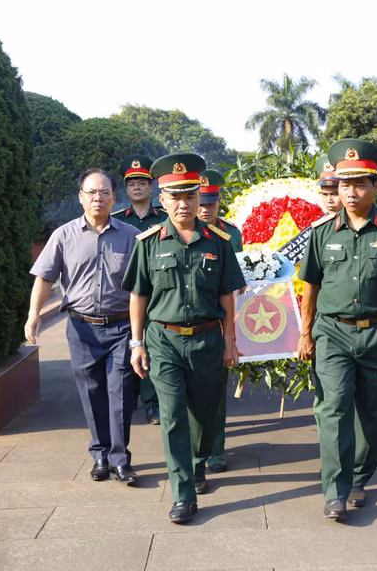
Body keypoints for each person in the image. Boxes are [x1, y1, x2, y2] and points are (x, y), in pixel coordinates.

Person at [297, 139, 377, 522]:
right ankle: (335, 490)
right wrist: (306, 333)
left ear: (374, 186)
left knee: (372, 415)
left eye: (359, 185)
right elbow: (311, 287)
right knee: (335, 407)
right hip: (333, 333)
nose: (350, 193)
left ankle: (359, 477)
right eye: (343, 185)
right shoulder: (322, 232)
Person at [122, 153, 245, 524]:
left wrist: (230, 340)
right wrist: (137, 342)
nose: (183, 203)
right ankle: (183, 493)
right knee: (173, 415)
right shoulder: (148, 242)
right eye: (174, 196)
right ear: (162, 199)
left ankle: (198, 461)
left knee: (204, 416)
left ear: (198, 197)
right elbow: (138, 295)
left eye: (189, 195)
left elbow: (228, 294)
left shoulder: (219, 242)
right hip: (164, 340)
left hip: (208, 340)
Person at [25, 169, 140, 484]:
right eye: (92, 192)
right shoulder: (63, 235)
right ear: (81, 197)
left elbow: (143, 287)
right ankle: (100, 455)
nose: (98, 198)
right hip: (82, 329)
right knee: (91, 393)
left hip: (121, 328)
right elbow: (45, 277)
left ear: (114, 198)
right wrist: (34, 313)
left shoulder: (131, 236)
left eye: (104, 192)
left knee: (120, 393)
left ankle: (120, 460)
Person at [112, 155, 167, 425]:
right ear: (126, 189)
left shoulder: (166, 218)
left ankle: (152, 403)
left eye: (142, 182)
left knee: (153, 349)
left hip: (159, 296)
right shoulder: (116, 221)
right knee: (127, 349)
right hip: (126, 297)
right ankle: (129, 397)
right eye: (131, 182)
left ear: (151, 187)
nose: (136, 187)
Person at [196, 168, 242, 474]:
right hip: (186, 319)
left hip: (219, 319)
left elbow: (237, 281)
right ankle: (195, 449)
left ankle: (216, 450)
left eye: (209, 202)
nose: (203, 209)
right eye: (199, 202)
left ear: (218, 201)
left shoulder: (230, 234)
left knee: (217, 391)